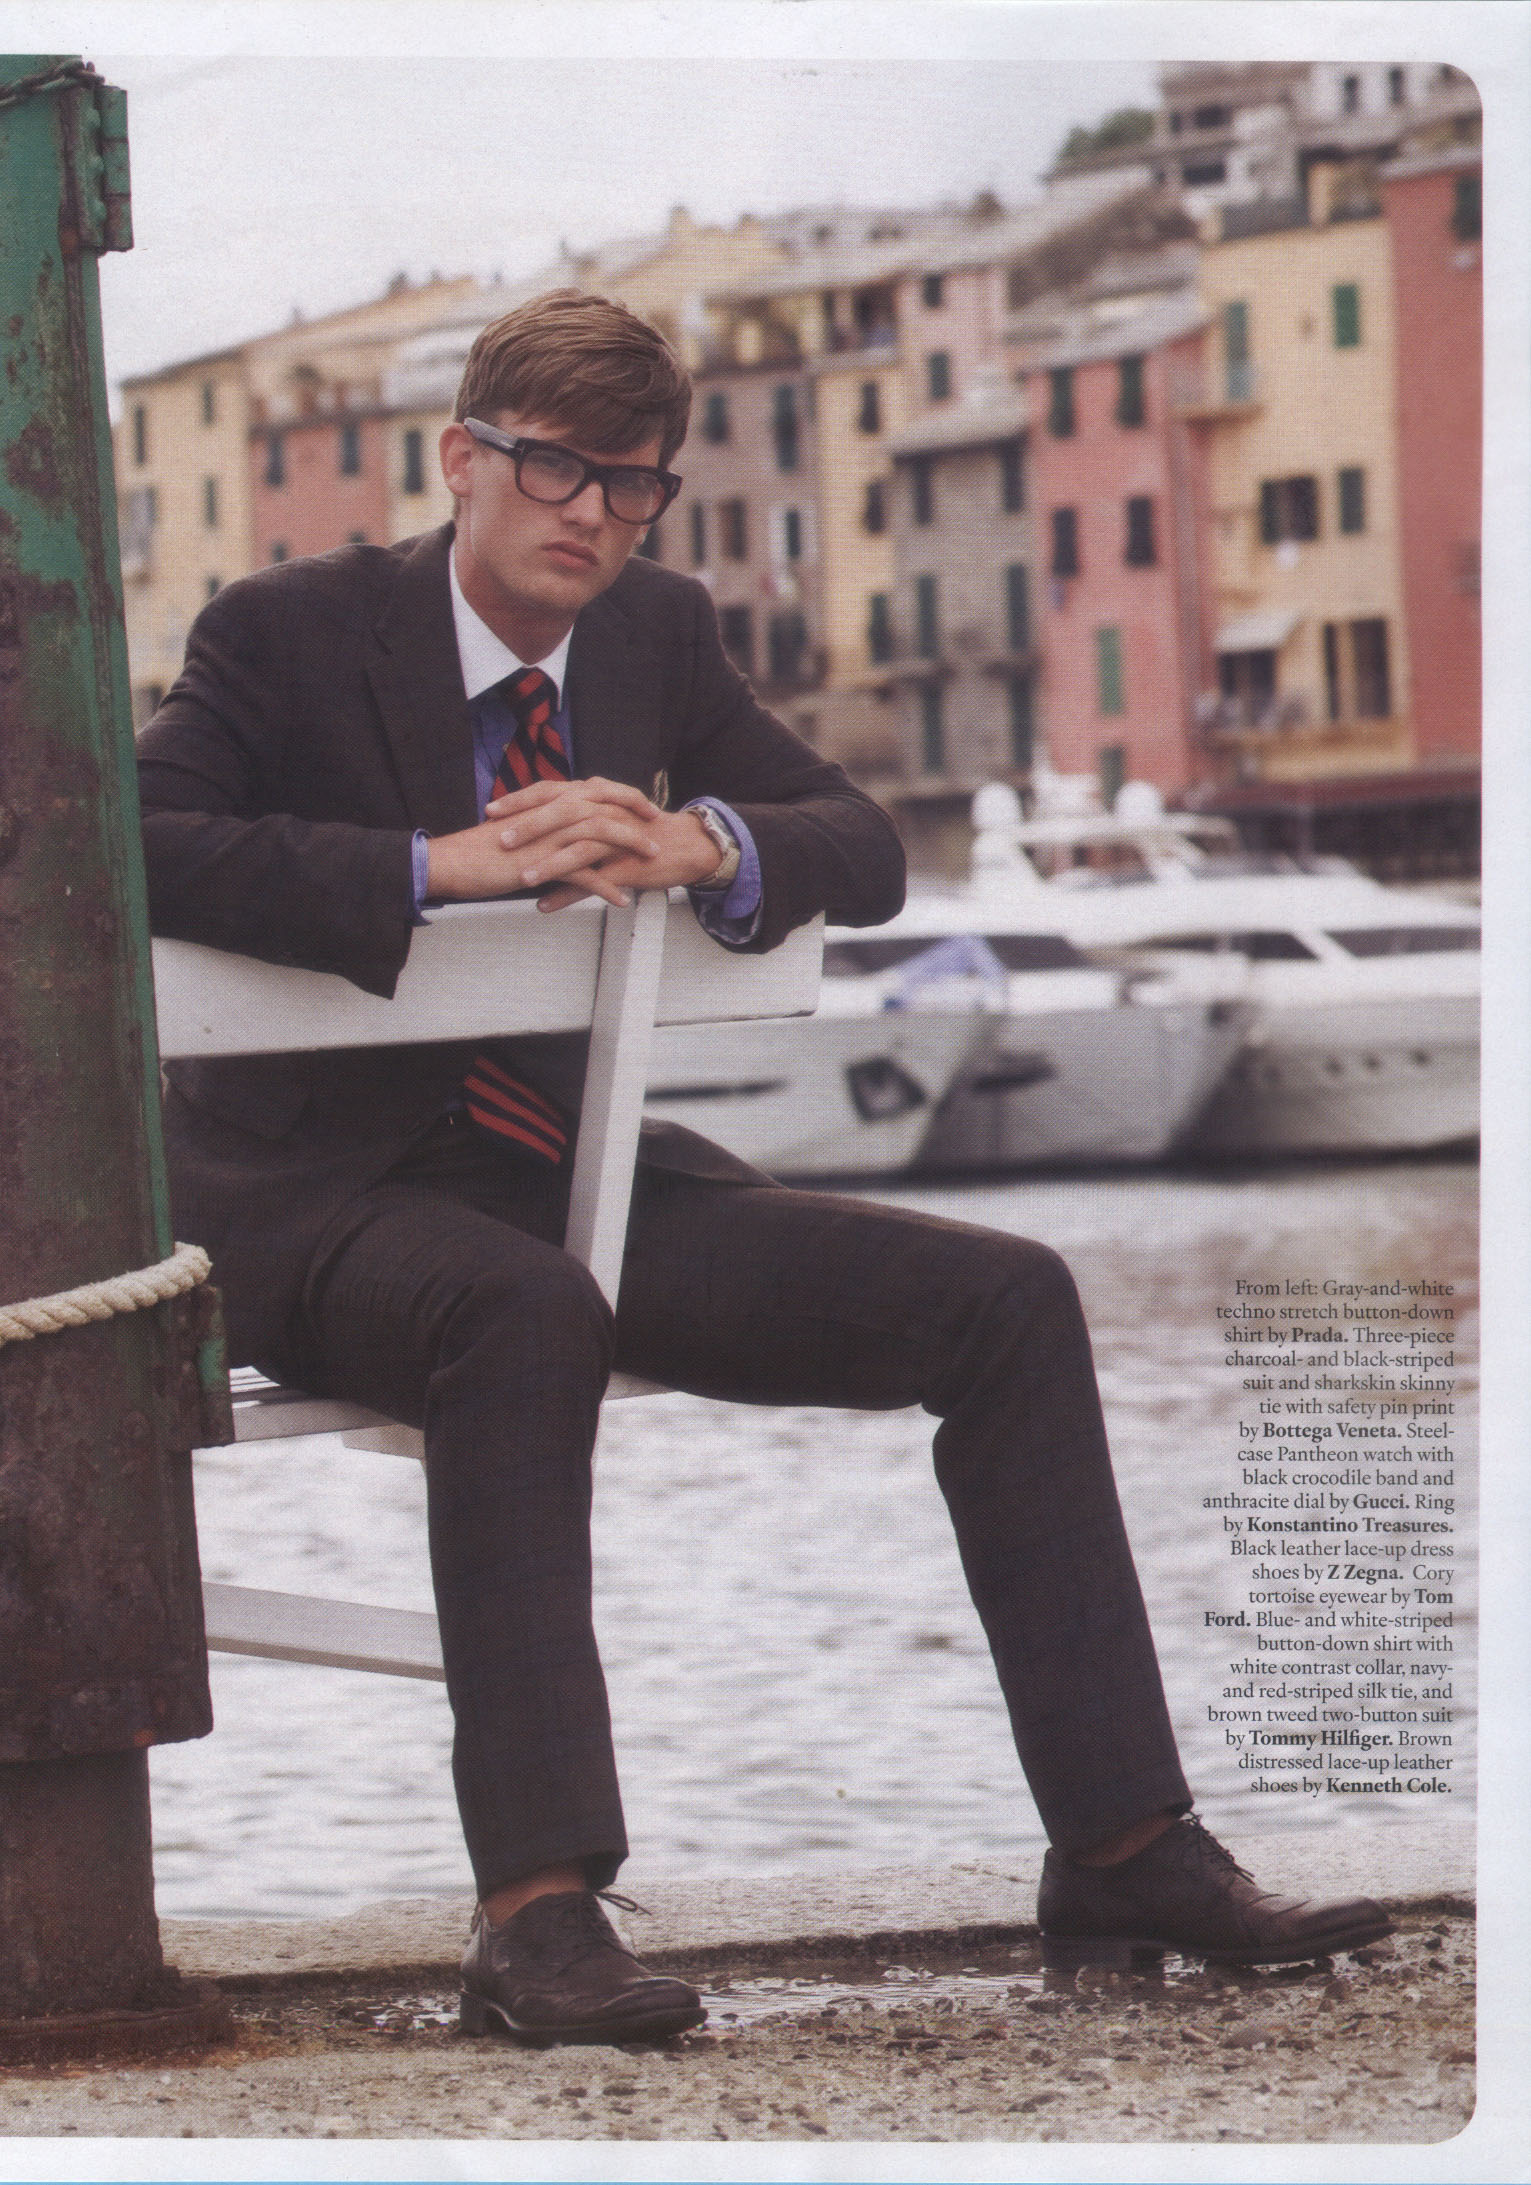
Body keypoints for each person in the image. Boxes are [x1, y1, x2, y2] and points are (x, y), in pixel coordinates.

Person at [138, 290, 1391, 2047]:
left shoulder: (656, 633)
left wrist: (704, 839)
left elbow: (860, 842)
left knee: (1009, 1299)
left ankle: (1123, 1843)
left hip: (564, 1173)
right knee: (523, 1310)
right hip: (304, 1196)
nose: (592, 514)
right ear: (461, 461)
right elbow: (134, 837)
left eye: (632, 483)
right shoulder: (285, 629)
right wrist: (439, 867)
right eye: (553, 468)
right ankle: (538, 1912)